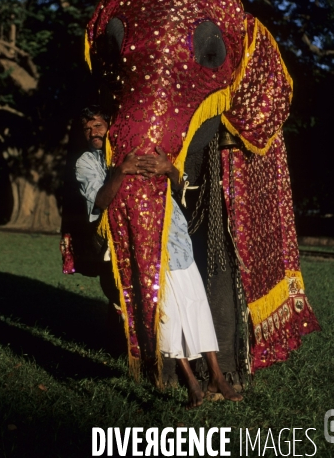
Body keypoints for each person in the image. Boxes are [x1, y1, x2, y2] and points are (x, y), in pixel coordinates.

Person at [75, 106, 243, 408]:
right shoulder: (87, 163)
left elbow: (179, 184)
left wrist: (169, 169)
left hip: (175, 237)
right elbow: (99, 202)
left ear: (111, 126)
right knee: (165, 313)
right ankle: (191, 381)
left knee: (196, 304)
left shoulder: (142, 145)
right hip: (136, 245)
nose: (93, 133)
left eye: (97, 125)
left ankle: (217, 375)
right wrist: (120, 171)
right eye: (86, 129)